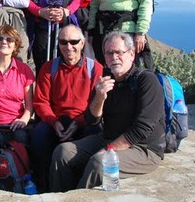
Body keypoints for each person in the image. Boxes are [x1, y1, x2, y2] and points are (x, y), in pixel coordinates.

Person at [50, 31, 164, 191]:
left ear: (131, 54)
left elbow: (142, 128)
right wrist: (99, 97)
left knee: (100, 162)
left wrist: (109, 150)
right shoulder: (106, 77)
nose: (114, 57)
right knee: (63, 151)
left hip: (143, 148)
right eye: (109, 53)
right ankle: (57, 198)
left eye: (119, 52)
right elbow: (92, 120)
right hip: (109, 138)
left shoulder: (147, 81)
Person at [30, 25, 102, 192]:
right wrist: (53, 122)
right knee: (39, 138)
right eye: (63, 42)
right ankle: (43, 185)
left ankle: (83, 186)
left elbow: (97, 104)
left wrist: (79, 122)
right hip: (56, 119)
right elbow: (41, 101)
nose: (68, 47)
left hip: (85, 120)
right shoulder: (49, 68)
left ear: (82, 43)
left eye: (73, 42)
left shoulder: (95, 69)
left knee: (94, 136)